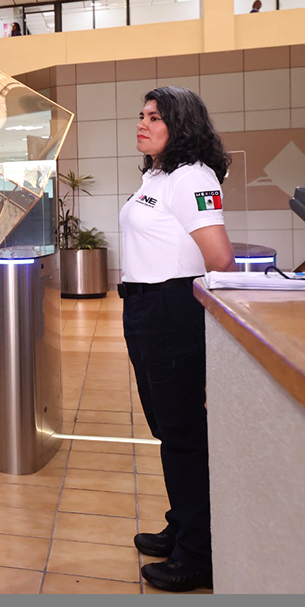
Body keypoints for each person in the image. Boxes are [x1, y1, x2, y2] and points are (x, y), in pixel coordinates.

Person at [119, 86, 236, 592]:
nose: (142, 124)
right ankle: (183, 525)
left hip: (172, 309)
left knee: (182, 432)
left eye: (155, 117)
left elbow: (221, 259)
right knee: (168, 427)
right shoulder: (158, 175)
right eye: (142, 115)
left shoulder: (192, 177)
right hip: (144, 306)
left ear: (181, 124)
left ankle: (197, 553)